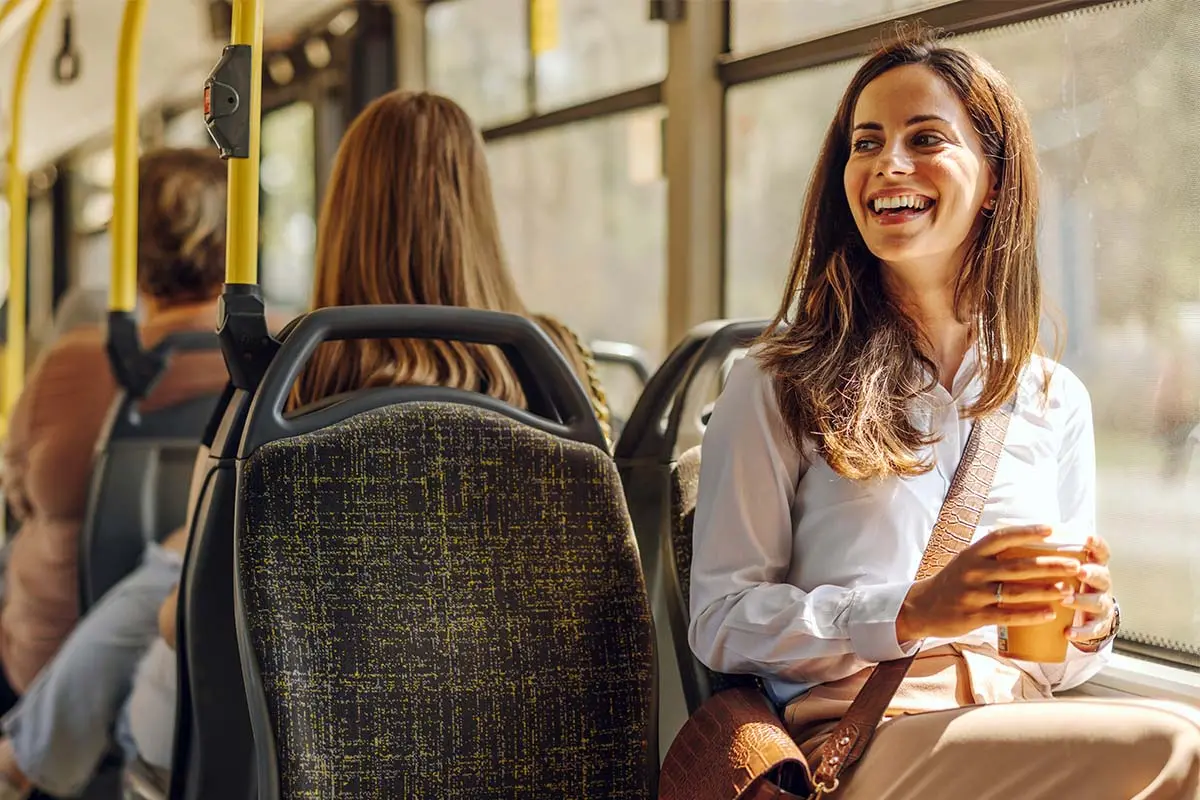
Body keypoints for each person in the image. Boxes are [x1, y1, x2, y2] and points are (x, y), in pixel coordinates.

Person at [688, 30, 1200, 799]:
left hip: (1015, 720)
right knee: (1175, 744)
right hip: (864, 740)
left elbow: (1058, 664)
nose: (888, 163)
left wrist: (1092, 622)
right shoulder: (775, 381)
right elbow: (720, 620)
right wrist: (913, 609)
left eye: (924, 138)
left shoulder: (1054, 398)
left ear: (993, 179)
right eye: (867, 144)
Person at [116, 89, 611, 782]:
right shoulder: (553, 365)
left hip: (313, 758)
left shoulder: (291, 376)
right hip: (528, 749)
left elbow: (198, 616)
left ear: (342, 212)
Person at [0, 148, 232, 799]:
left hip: (48, 646)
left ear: (131, 250)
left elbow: (19, 495)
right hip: (206, 664)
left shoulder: (70, 366)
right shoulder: (284, 358)